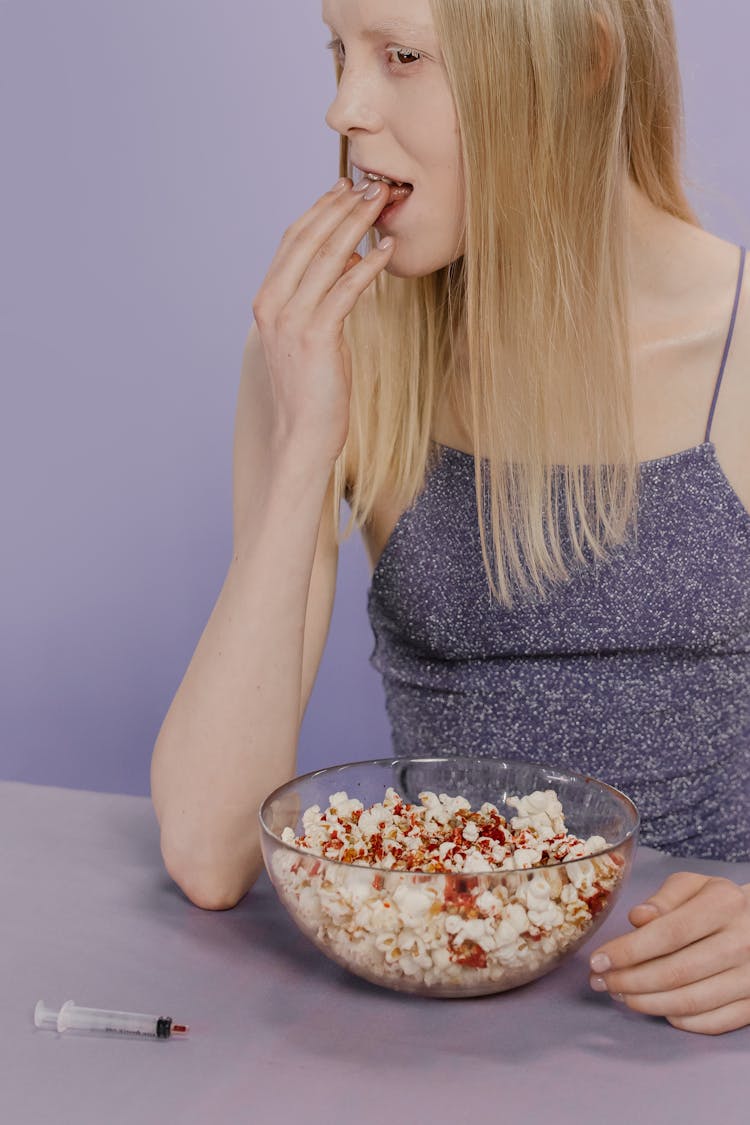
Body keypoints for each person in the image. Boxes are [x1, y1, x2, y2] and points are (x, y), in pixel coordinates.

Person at [150, 0, 750, 1035]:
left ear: (581, 64)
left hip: (691, 1021)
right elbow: (209, 853)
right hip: (449, 1001)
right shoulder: (334, 350)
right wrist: (306, 444)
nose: (343, 106)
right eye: (340, 53)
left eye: (402, 57)